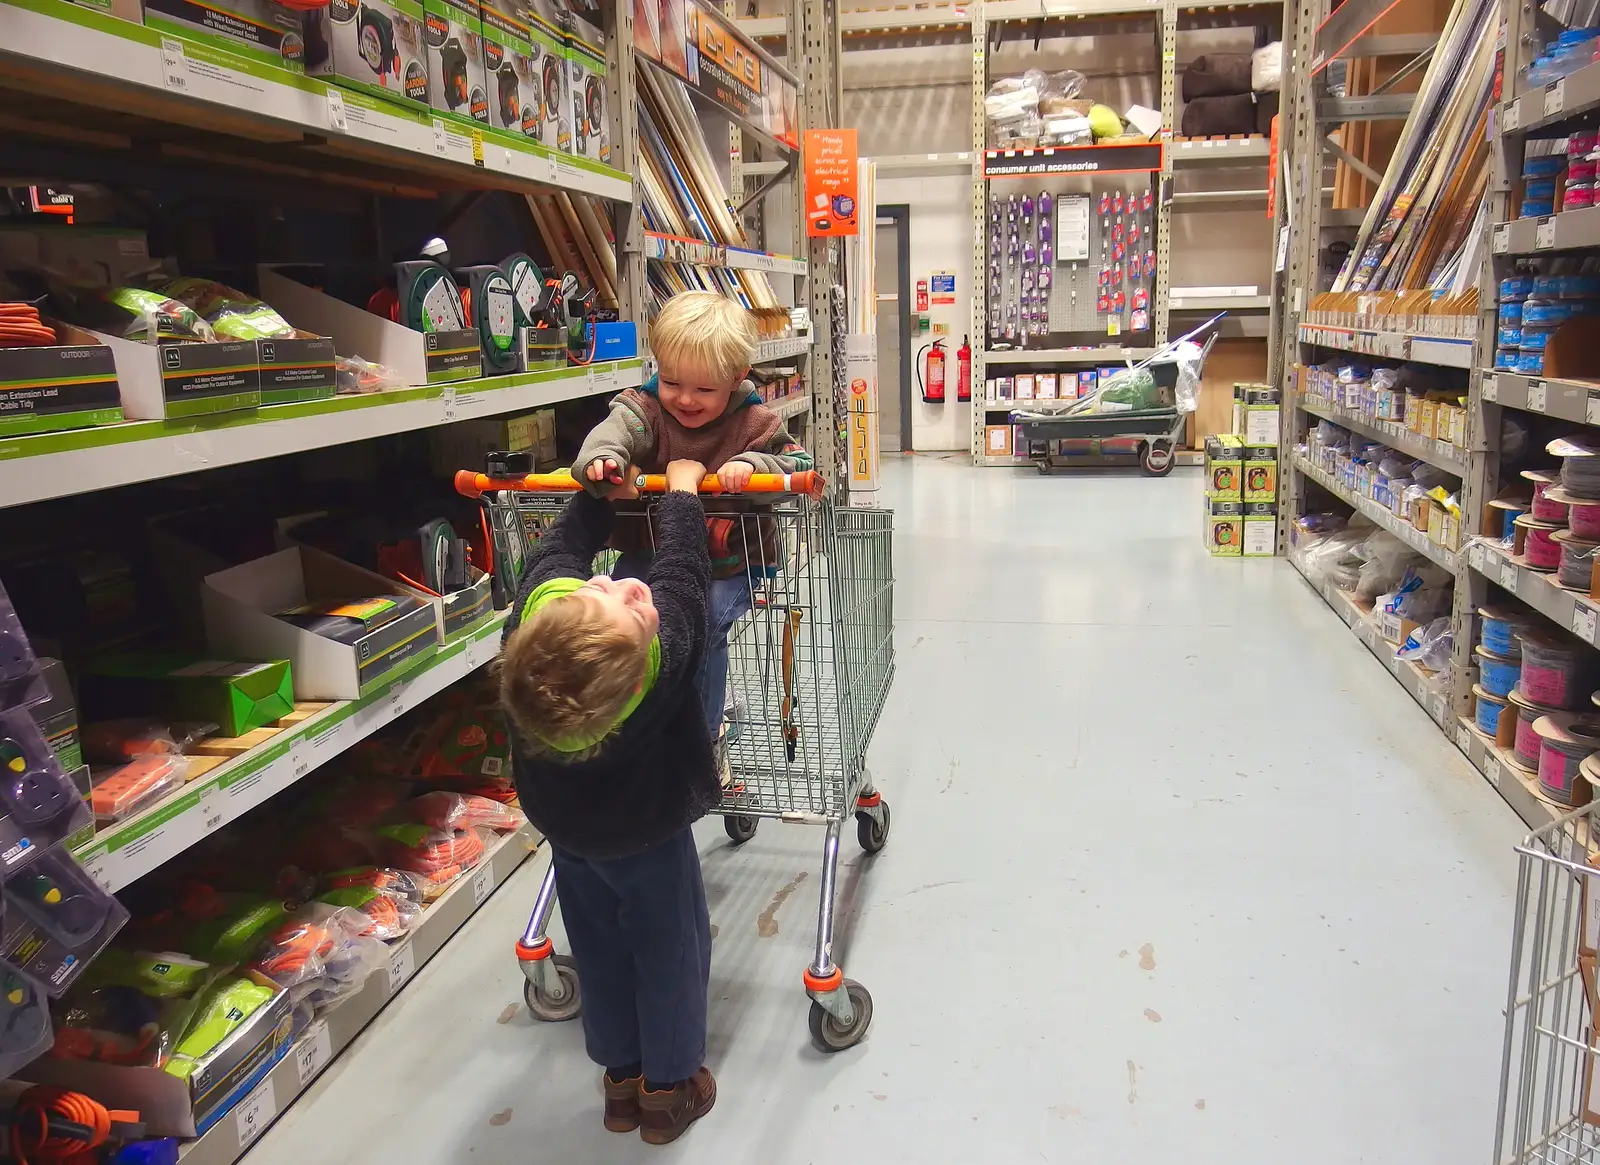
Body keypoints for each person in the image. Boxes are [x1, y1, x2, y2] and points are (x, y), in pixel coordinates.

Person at [498, 458, 720, 1145]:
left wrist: (594, 500)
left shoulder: (525, 650)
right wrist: (681, 491)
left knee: (596, 948)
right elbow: (683, 578)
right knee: (670, 952)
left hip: (571, 838)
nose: (619, 582)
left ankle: (620, 1081)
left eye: (598, 589)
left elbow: (552, 556)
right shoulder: (659, 664)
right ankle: (668, 1091)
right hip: (649, 838)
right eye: (631, 605)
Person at [572, 289, 812, 739]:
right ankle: (637, 722)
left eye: (704, 389)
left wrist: (754, 465)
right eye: (671, 382)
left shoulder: (754, 424)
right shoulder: (645, 410)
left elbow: (800, 465)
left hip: (731, 561)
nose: (684, 400)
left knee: (703, 622)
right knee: (618, 620)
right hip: (651, 550)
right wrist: (605, 462)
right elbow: (612, 434)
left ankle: (702, 735)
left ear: (738, 378)